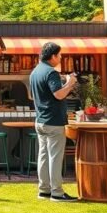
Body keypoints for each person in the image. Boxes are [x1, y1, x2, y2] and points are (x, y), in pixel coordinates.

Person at [29, 41, 78, 202]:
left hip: (40, 121)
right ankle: (57, 192)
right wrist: (70, 83)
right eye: (59, 55)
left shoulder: (35, 72)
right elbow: (58, 94)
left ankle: (44, 190)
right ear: (53, 56)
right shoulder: (51, 72)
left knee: (43, 156)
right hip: (53, 121)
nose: (61, 57)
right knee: (55, 157)